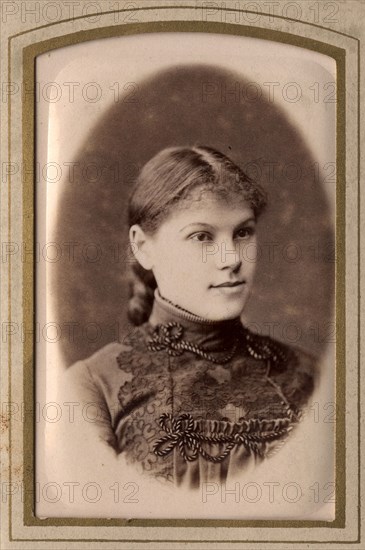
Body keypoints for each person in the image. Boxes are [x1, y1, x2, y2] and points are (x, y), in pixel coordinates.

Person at [64, 145, 316, 489]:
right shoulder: (94, 386)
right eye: (202, 236)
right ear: (143, 247)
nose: (231, 259)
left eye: (243, 232)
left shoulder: (310, 374)